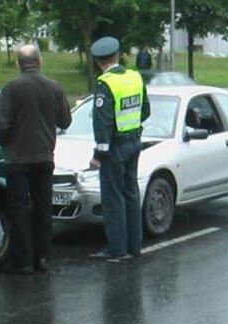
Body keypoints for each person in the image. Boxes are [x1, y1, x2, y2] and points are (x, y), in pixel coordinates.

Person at [0, 45, 72, 274]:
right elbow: (65, 121)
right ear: (39, 62)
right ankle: (43, 257)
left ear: (18, 64)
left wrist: (8, 144)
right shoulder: (53, 87)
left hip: (17, 160)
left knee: (19, 209)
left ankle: (23, 261)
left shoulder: (11, 88)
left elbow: (0, 124)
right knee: (43, 208)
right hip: (45, 158)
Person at [88, 36, 151, 262]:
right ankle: (135, 246)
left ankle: (117, 249)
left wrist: (98, 155)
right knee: (131, 194)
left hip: (114, 148)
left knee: (113, 199)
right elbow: (145, 111)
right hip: (134, 142)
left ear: (98, 61)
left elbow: (102, 124)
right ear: (117, 56)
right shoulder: (135, 76)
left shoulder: (105, 84)